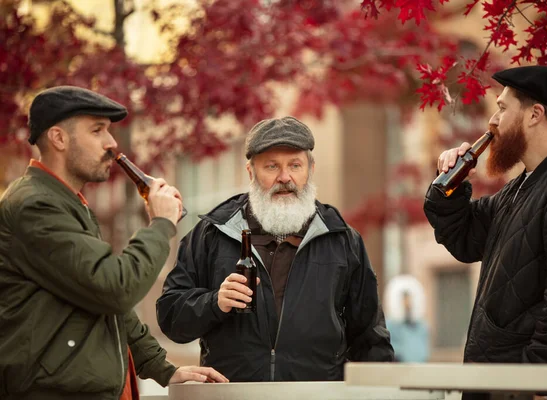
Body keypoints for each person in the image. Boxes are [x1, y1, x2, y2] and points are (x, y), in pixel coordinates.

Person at [0, 86, 228, 400]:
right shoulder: (36, 206)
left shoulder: (66, 204)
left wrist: (162, 368)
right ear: (58, 138)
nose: (112, 144)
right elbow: (115, 288)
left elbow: (103, 301)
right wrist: (160, 224)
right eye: (98, 131)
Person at [156, 116, 394, 381]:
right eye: (271, 166)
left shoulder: (343, 240)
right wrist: (214, 303)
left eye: (295, 165)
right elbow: (170, 317)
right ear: (250, 171)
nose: (285, 177)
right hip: (233, 397)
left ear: (310, 169)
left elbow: (371, 338)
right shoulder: (211, 235)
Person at [424, 66, 547, 397]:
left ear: (535, 115)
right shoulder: (523, 185)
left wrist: (533, 382)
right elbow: (466, 239)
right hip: (501, 384)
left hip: (528, 389)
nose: (493, 120)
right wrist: (448, 184)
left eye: (503, 108)